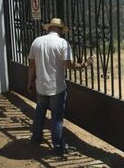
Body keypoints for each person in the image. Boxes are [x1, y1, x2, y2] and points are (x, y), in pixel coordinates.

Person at [27, 17, 93, 156]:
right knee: (57, 118)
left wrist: (29, 82)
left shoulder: (37, 41)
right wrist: (85, 65)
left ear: (49, 28)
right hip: (56, 88)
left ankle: (36, 139)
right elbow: (68, 65)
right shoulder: (62, 43)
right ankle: (58, 147)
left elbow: (31, 65)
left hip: (41, 86)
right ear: (61, 30)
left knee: (40, 112)